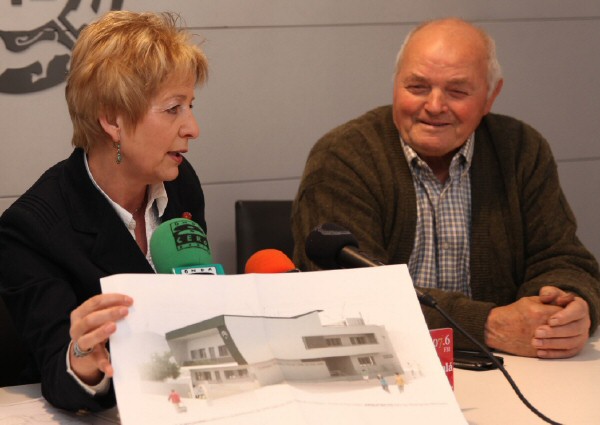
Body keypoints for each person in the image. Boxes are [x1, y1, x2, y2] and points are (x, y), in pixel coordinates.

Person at [292, 18, 600, 359]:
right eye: (417, 87)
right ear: (395, 84)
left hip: (511, 366)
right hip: (388, 365)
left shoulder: (520, 149)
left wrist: (565, 308)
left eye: (457, 92)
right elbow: (346, 294)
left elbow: (561, 257)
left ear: (490, 96)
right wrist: (487, 325)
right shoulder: (344, 156)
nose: (435, 106)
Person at [0, 11, 208, 412]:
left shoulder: (180, 183)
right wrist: (83, 361)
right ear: (113, 120)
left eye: (191, 105)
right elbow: (57, 372)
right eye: (173, 109)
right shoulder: (31, 229)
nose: (193, 128)